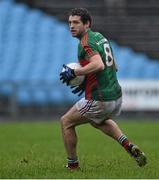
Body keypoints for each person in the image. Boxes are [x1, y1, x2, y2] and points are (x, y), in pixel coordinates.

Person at [60, 8, 147, 170]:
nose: (71, 26)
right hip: (116, 96)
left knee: (66, 122)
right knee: (97, 121)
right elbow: (115, 65)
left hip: (100, 98)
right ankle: (128, 145)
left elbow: (98, 65)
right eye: (70, 22)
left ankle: (72, 166)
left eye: (76, 22)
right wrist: (87, 82)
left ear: (87, 24)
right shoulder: (100, 37)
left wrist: (74, 72)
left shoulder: (86, 42)